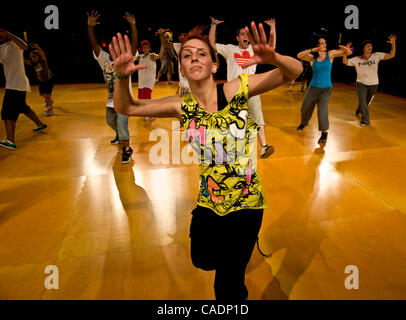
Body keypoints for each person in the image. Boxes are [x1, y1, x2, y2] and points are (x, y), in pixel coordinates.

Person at [108, 22, 302, 299]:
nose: (194, 58)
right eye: (187, 55)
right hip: (209, 202)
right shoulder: (181, 105)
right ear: (183, 69)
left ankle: (237, 268)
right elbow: (125, 107)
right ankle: (232, 257)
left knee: (228, 284)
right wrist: (121, 78)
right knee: (202, 259)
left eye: (201, 54)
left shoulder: (234, 90)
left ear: (213, 65)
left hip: (246, 205)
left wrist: (274, 59)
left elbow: (293, 72)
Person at [209, 17, 275, 159]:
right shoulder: (230, 49)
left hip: (252, 89)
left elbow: (271, 48)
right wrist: (214, 25)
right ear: (237, 37)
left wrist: (273, 28)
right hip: (234, 91)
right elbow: (212, 44)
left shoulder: (254, 50)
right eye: (242, 34)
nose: (245, 36)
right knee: (232, 121)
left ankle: (264, 147)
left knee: (257, 118)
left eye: (247, 34)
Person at [87, 10, 138, 163]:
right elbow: (94, 44)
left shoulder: (126, 60)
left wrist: (133, 25)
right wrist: (90, 27)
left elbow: (135, 44)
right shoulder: (103, 59)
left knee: (122, 125)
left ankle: (127, 150)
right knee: (111, 121)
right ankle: (119, 136)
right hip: (111, 100)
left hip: (124, 100)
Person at [296, 36, 351, 145]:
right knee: (305, 109)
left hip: (326, 89)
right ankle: (303, 123)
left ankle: (324, 133)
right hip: (312, 88)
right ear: (317, 46)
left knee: (322, 111)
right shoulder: (312, 58)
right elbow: (299, 55)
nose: (324, 45)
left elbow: (348, 52)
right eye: (321, 43)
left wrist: (344, 48)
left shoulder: (330, 54)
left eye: (325, 43)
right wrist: (312, 50)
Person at [0, 27, 47, 150]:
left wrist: (8, 33)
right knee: (22, 107)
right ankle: (40, 124)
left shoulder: (14, 43)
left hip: (15, 85)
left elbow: (25, 46)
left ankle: (10, 140)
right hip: (15, 84)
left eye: (1, 32)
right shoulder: (1, 48)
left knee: (6, 113)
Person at [342, 35, 396, 126]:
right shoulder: (357, 59)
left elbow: (392, 55)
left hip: (374, 84)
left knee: (365, 103)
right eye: (367, 46)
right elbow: (345, 62)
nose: (370, 47)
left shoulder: (377, 56)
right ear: (363, 48)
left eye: (371, 46)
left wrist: (393, 44)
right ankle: (365, 120)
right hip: (361, 83)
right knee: (363, 101)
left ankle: (359, 109)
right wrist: (345, 52)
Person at [134, 38, 164, 121]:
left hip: (149, 81)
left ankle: (149, 114)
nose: (145, 49)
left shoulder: (152, 55)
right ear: (142, 49)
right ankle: (148, 113)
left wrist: (163, 45)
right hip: (141, 82)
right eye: (143, 48)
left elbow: (160, 56)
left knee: (146, 98)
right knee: (141, 98)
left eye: (146, 47)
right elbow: (132, 57)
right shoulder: (140, 57)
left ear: (149, 48)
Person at [157, 28, 191, 95]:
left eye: (183, 35)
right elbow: (165, 43)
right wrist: (161, 34)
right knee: (187, 104)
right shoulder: (179, 46)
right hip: (184, 84)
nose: (181, 37)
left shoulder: (194, 46)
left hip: (193, 83)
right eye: (180, 35)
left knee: (192, 103)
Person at [24, 42, 55, 116]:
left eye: (35, 56)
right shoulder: (32, 63)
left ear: (39, 56)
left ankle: (50, 110)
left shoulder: (43, 61)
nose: (33, 58)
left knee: (47, 95)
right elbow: (23, 60)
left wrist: (37, 47)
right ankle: (49, 101)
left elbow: (43, 53)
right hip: (41, 81)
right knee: (42, 94)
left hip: (48, 80)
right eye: (32, 57)